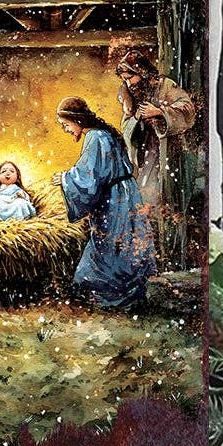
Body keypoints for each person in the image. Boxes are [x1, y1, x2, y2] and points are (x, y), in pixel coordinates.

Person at [55, 96, 155, 309]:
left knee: (111, 246)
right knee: (125, 243)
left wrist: (64, 178)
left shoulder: (95, 137)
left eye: (65, 124)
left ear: (77, 120)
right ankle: (128, 294)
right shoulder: (104, 134)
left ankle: (110, 297)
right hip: (125, 194)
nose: (65, 129)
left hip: (115, 200)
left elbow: (89, 177)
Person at [111, 42, 197, 262]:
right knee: (145, 199)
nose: (128, 83)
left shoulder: (165, 85)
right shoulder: (129, 94)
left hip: (168, 153)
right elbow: (126, 125)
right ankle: (151, 253)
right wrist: (137, 118)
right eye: (124, 80)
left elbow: (188, 110)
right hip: (145, 154)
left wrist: (159, 111)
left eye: (130, 78)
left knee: (169, 200)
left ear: (141, 72)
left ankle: (172, 254)